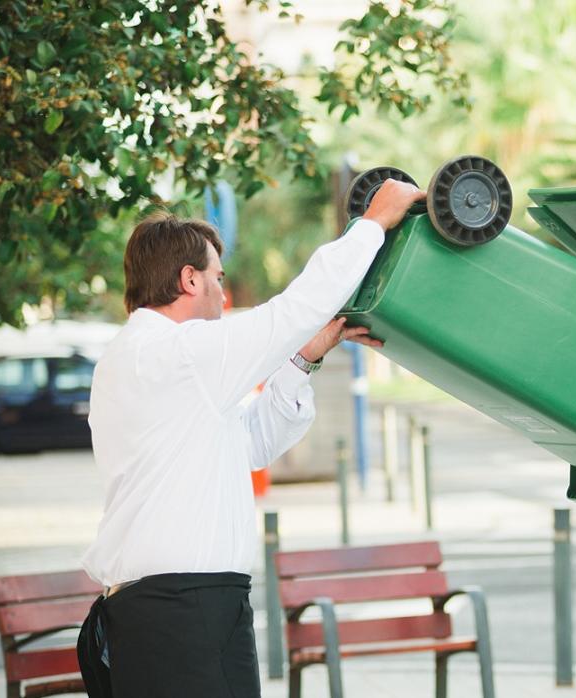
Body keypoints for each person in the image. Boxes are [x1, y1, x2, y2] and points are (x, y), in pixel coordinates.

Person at [75, 179, 425, 698]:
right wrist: (373, 223)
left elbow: (249, 444)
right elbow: (292, 310)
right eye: (218, 277)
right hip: (185, 611)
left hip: (167, 612)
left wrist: (303, 358)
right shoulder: (181, 354)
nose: (223, 290)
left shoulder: (146, 360)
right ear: (189, 280)